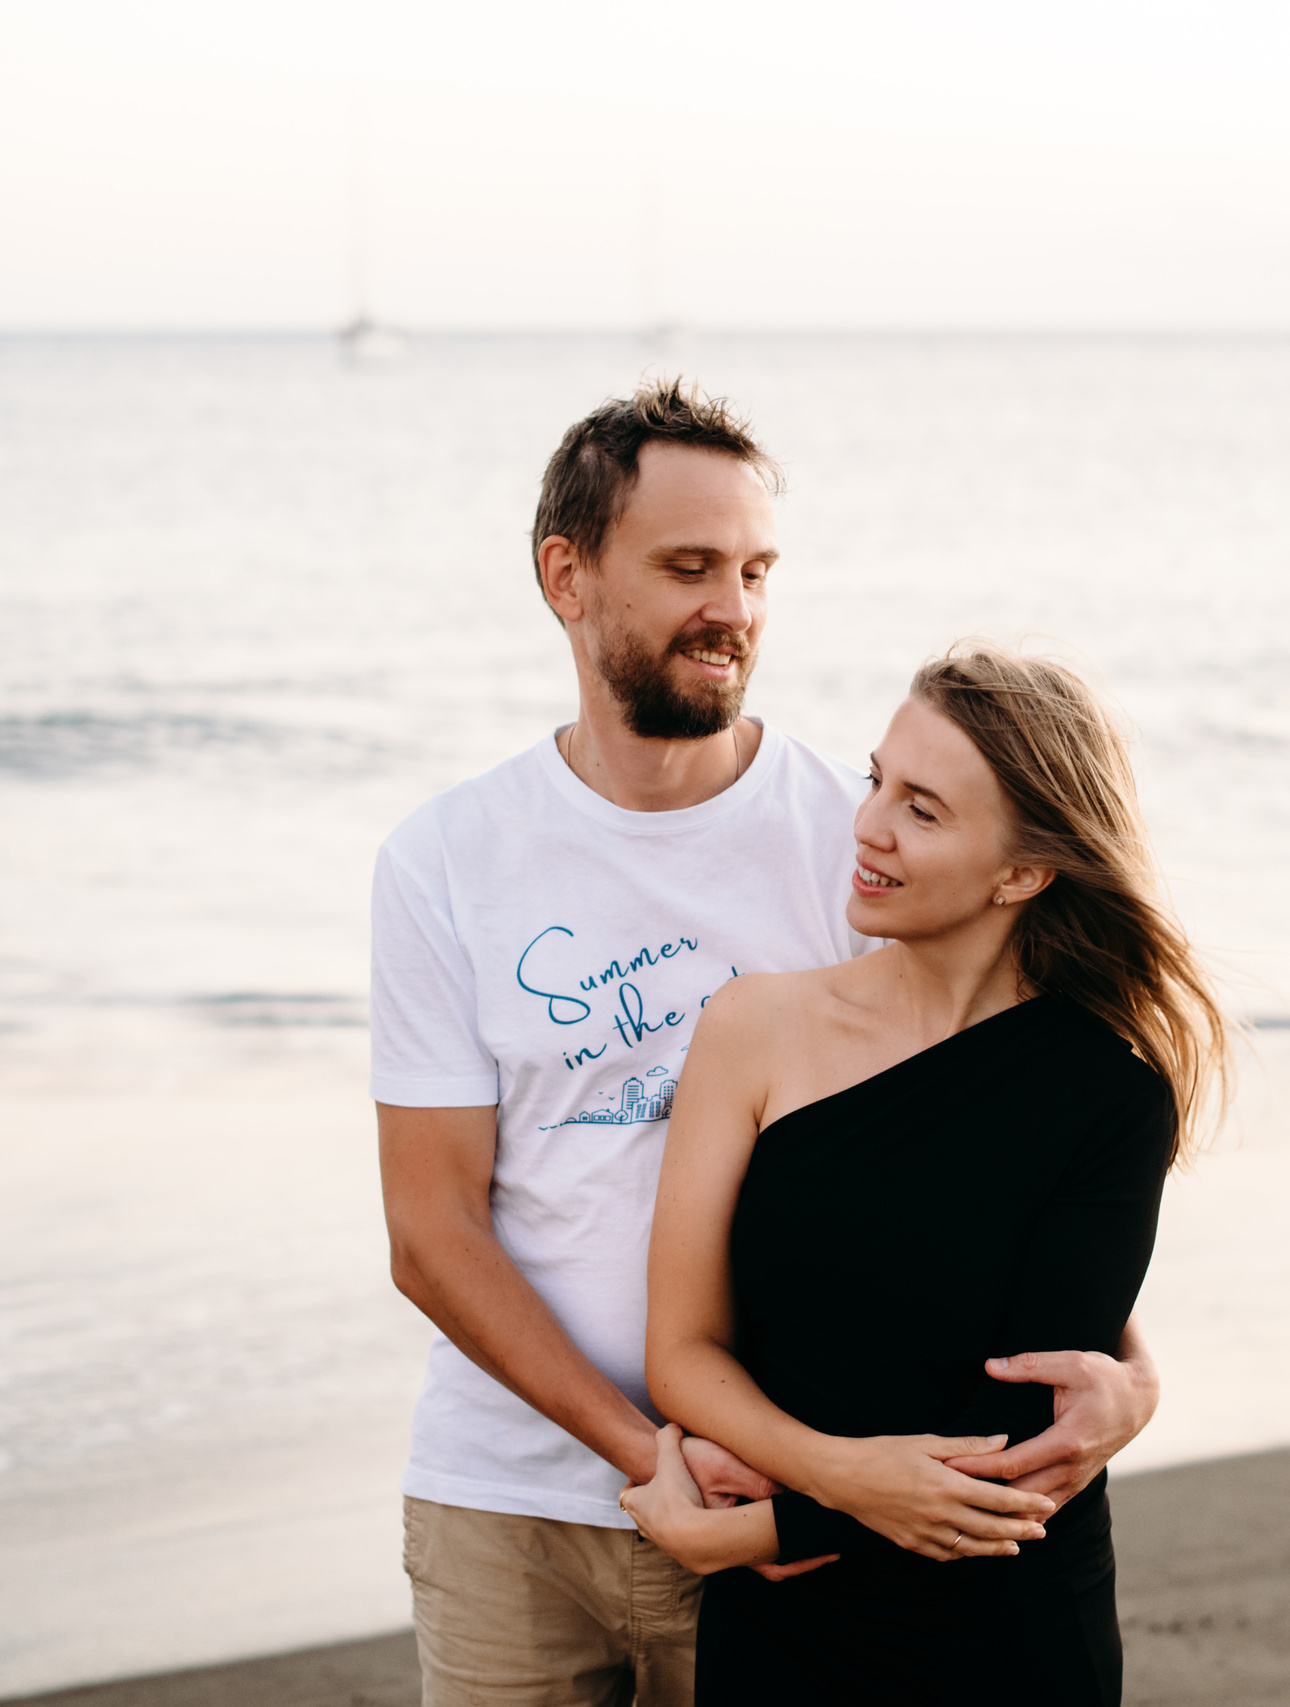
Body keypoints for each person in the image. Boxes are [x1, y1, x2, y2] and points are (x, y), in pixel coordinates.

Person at [372, 383, 1166, 1707]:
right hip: (514, 1496)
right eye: (689, 566)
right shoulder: (446, 861)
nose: (733, 608)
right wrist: (658, 1449)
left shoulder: (847, 841)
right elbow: (432, 1229)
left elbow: (980, 1138)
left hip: (787, 1510)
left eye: (754, 569)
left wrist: (1129, 1369)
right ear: (567, 575)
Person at [622, 643, 1231, 1705]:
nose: (868, 826)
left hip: (1000, 1626)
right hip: (783, 1627)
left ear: (1024, 871)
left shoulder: (1108, 1096)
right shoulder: (755, 1028)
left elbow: (1025, 1437)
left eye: (923, 809)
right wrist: (826, 1477)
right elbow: (682, 1350)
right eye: (875, 781)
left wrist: (747, 1532)